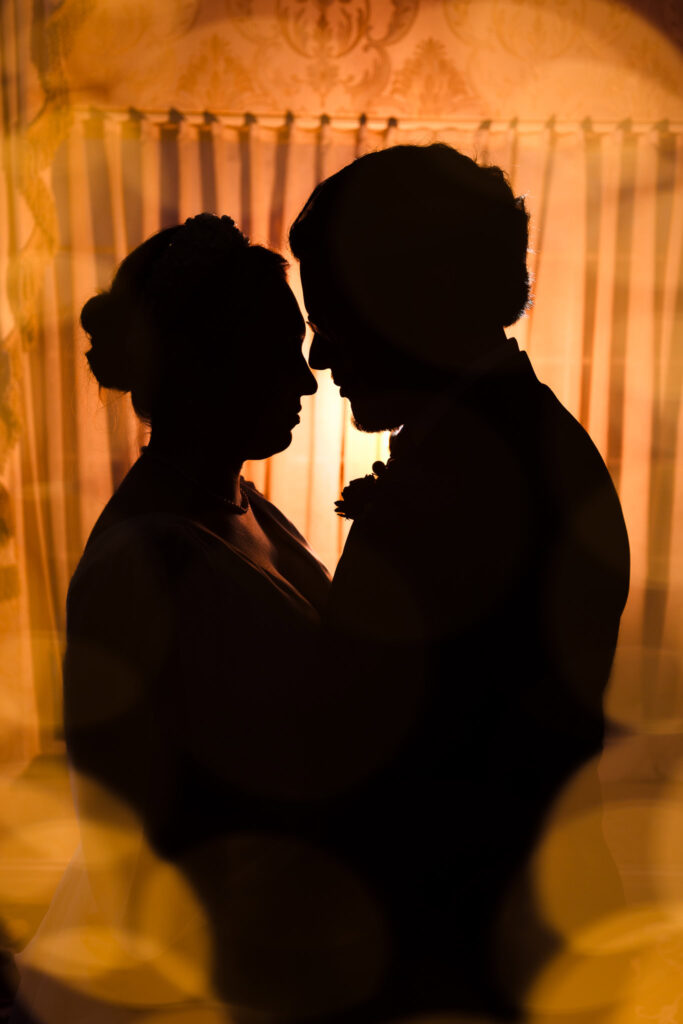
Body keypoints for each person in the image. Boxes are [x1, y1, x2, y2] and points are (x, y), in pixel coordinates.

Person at [288, 145, 631, 1021]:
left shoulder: (473, 482)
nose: (320, 356)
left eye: (331, 317)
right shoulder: (514, 440)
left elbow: (392, 769)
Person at [11, 214, 350, 1024]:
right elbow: (126, 827)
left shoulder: (247, 508)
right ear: (210, 366)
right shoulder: (144, 560)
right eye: (280, 355)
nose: (307, 384)